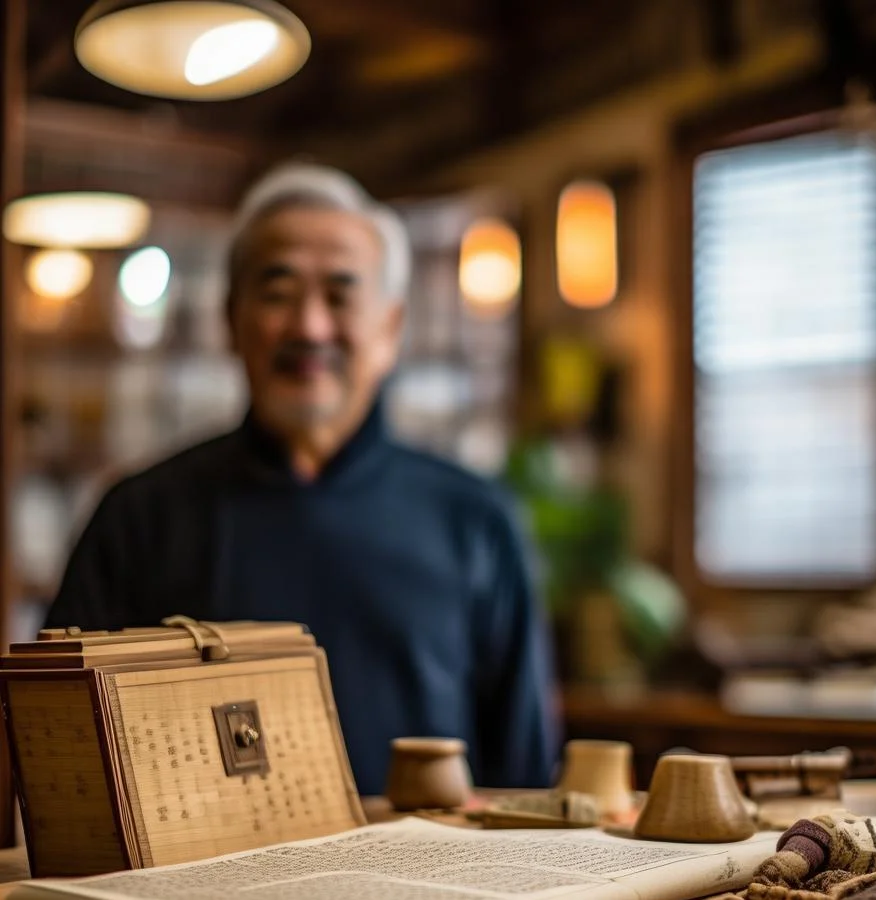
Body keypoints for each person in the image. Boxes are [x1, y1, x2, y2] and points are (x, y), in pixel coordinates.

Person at [44, 163, 559, 796]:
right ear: (231, 320)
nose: (310, 327)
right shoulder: (139, 516)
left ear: (391, 329)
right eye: (278, 293)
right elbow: (64, 756)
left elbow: (525, 780)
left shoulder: (475, 519)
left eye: (340, 295)